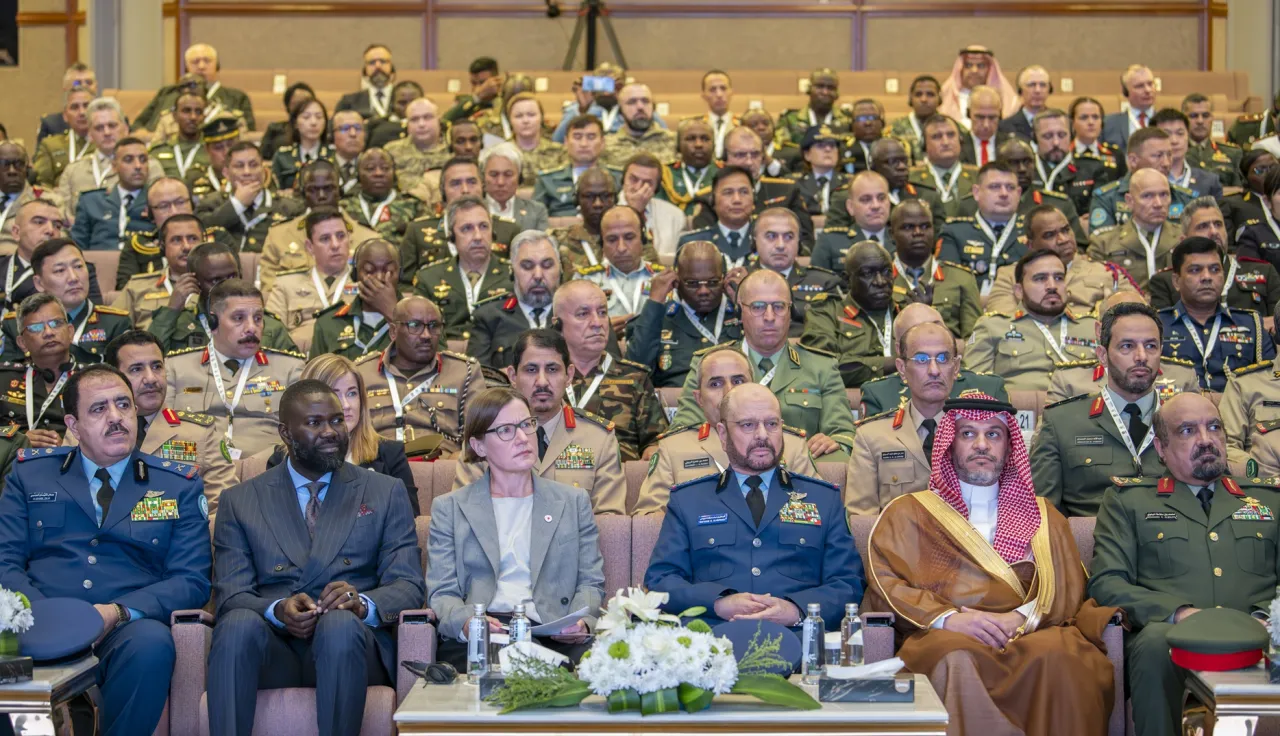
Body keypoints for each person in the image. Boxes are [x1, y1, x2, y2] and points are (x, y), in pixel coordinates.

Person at [863, 391, 1116, 736]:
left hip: (1032, 631)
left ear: (1009, 447)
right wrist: (948, 619)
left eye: (993, 434)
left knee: (1065, 658)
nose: (981, 444)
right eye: (968, 434)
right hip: (949, 635)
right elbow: (887, 582)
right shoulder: (909, 512)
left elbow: (1069, 586)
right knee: (955, 659)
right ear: (950, 444)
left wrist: (1021, 618)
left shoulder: (1044, 515)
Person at [0, 363, 212, 736]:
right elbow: (6, 560)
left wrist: (117, 612)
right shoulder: (30, 475)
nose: (116, 418)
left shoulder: (178, 484)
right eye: (99, 409)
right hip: (39, 615)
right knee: (10, 657)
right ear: (74, 425)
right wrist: (41, 615)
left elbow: (191, 580)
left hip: (123, 625)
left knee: (151, 645)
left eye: (123, 405)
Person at [206, 379, 423, 736]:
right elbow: (231, 594)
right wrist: (277, 610)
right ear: (285, 433)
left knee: (338, 625)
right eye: (314, 423)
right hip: (274, 647)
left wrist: (360, 603)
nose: (331, 432)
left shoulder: (384, 491)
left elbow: (408, 584)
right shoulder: (241, 500)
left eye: (337, 421)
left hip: (351, 647)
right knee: (236, 625)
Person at [1088, 392, 1280, 736]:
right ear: (1161, 448)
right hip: (1173, 637)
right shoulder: (1129, 501)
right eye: (1188, 431)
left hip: (1260, 633)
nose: (1206, 440)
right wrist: (1179, 613)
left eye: (1214, 427)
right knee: (1156, 643)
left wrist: (1269, 618)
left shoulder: (1267, 499)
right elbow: (1107, 582)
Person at [645, 382, 861, 629]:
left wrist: (797, 609)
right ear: (723, 433)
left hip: (799, 641)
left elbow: (848, 582)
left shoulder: (822, 498)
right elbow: (661, 580)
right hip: (715, 642)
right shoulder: (689, 500)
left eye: (772, 424)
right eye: (748, 425)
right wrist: (717, 603)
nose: (762, 435)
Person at [428, 385, 604, 666]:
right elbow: (442, 592)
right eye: (506, 430)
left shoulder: (572, 502)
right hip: (486, 632)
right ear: (479, 446)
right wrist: (466, 623)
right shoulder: (450, 508)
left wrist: (581, 621)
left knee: (602, 668)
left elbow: (590, 582)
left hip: (553, 630)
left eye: (526, 424)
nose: (523, 438)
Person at [675, 269, 856, 460]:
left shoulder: (821, 366)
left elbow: (843, 434)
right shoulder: (710, 365)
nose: (769, 317)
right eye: (758, 307)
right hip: (726, 471)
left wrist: (834, 443)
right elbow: (683, 431)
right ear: (741, 309)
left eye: (779, 306)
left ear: (790, 310)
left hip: (799, 472)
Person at [452, 329, 625, 513]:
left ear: (569, 375)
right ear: (512, 376)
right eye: (531, 370)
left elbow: (609, 520)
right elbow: (465, 514)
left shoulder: (598, 439)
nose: (542, 381)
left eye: (552, 369)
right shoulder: (485, 436)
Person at [637, 344, 816, 516]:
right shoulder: (672, 448)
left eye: (738, 381)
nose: (729, 391)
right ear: (699, 398)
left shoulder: (792, 444)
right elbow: (648, 519)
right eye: (715, 384)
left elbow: (818, 509)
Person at [1031, 301, 1171, 517]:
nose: (1141, 356)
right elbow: (1043, 514)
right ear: (1103, 355)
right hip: (1094, 543)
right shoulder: (1062, 422)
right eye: (1127, 346)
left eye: (1151, 346)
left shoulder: (1186, 420)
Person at [257, 354, 420, 515]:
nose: (346, 405)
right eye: (334, 395)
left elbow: (407, 518)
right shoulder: (281, 460)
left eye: (352, 393)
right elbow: (274, 523)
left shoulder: (390, 454)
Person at [164, 278, 307, 459]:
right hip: (197, 472)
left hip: (267, 474)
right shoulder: (176, 368)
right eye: (238, 318)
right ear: (213, 323)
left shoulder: (290, 369)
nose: (251, 328)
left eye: (258, 318)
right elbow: (163, 435)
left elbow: (303, 437)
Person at [98, 330, 236, 513]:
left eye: (157, 367)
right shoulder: (88, 429)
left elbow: (224, 505)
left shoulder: (200, 432)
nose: (151, 379)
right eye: (136, 369)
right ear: (113, 377)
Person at [845, 320, 959, 516]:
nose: (934, 370)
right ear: (902, 369)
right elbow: (861, 520)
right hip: (895, 545)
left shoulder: (976, 433)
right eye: (922, 359)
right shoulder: (871, 437)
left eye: (942, 358)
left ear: (956, 367)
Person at [355, 295, 483, 457]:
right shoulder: (362, 372)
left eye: (433, 326)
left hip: (441, 468)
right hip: (377, 467)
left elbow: (480, 436)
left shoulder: (464, 372)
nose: (426, 335)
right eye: (415, 326)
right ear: (393, 331)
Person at [555, 281, 666, 461]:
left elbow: (657, 440)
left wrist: (653, 454)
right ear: (557, 325)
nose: (597, 323)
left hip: (621, 480)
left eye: (602, 313)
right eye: (583, 314)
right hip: (557, 481)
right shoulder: (545, 378)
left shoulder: (634, 378)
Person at [963, 249, 1099, 391]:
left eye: (1059, 278)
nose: (1052, 285)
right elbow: (974, 389)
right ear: (1019, 290)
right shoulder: (992, 327)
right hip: (1018, 410)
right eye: (1040, 278)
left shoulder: (1092, 327)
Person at [1156, 237, 1275, 392]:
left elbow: (1270, 383)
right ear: (1176, 281)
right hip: (1176, 412)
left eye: (1215, 269)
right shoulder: (1157, 325)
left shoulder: (1251, 324)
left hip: (1238, 413)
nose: (1207, 277)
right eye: (1195, 270)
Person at [1046, 290, 1200, 404]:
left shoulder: (1183, 377)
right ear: (1100, 331)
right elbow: (1047, 443)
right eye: (1127, 345)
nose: (1141, 356)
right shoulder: (1069, 382)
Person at [856, 302, 1008, 417]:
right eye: (916, 332)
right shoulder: (878, 394)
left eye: (937, 328)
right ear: (899, 350)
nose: (931, 336)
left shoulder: (989, 388)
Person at [625, 240, 742, 388]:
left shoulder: (740, 313)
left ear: (724, 278)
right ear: (676, 280)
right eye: (692, 283)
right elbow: (634, 372)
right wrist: (654, 302)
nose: (703, 291)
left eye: (712, 282)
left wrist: (747, 299)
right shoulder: (659, 318)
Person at [149, 241, 299, 353]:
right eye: (215, 280)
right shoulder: (179, 323)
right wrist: (172, 310)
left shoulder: (269, 325)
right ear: (195, 282)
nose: (227, 284)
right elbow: (151, 357)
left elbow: (294, 373)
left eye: (233, 276)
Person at [986, 205, 1135, 316]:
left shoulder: (1107, 272)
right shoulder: (1010, 276)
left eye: (1065, 230)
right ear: (1030, 245)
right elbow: (1001, 322)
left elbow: (1137, 315)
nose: (1063, 240)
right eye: (1050, 235)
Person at [0, 237, 129, 365]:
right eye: (60, 270)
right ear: (39, 283)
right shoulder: (15, 325)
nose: (73, 278)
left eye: (78, 266)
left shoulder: (116, 324)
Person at [259, 161, 380, 294]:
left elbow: (377, 293)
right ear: (303, 193)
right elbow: (269, 293)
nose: (321, 195)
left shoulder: (368, 239)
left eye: (328, 188)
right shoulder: (279, 236)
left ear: (339, 191)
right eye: (314, 190)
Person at [1151, 197, 1280, 315]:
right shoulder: (1166, 281)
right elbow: (1162, 330)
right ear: (1184, 239)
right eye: (1203, 226)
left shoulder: (1264, 272)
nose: (1214, 232)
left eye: (1218, 224)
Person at [691, 127, 815, 249]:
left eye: (755, 154)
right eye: (740, 155)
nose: (749, 162)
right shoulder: (708, 197)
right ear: (724, 159)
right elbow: (703, 244)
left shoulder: (787, 191)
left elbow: (805, 242)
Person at [412, 197, 513, 341]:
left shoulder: (514, 275)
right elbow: (420, 333)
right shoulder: (428, 277)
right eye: (467, 228)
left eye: (484, 226)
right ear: (451, 236)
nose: (478, 236)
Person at [799, 240, 897, 388]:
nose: (880, 281)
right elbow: (821, 368)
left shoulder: (906, 310)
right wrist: (894, 364)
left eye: (886, 271)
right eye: (867, 274)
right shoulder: (826, 311)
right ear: (847, 279)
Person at [402, 157, 522, 274]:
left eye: (472, 182)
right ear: (443, 190)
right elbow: (404, 283)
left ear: (483, 187)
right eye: (455, 183)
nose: (465, 190)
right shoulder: (417, 231)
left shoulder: (509, 230)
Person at [737, 207, 841, 336]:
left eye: (789, 237)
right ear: (754, 239)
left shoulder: (824, 283)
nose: (780, 245)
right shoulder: (738, 281)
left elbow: (829, 334)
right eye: (771, 236)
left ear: (799, 241)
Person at [467, 231, 563, 370]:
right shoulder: (488, 317)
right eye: (527, 266)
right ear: (512, 271)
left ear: (560, 269)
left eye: (547, 265)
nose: (538, 275)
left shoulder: (578, 314)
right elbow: (476, 379)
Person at [55, 98, 165, 216]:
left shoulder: (149, 166)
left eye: (112, 126)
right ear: (90, 135)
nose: (107, 132)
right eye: (99, 128)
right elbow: (62, 216)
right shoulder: (73, 171)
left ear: (126, 129)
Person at [267, 208, 360, 345]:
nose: (335, 245)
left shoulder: (365, 283)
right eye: (325, 239)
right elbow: (270, 334)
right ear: (310, 247)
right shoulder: (286, 285)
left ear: (349, 239)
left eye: (341, 236)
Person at [937, 161, 1027, 294]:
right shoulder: (955, 232)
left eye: (1010, 187)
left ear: (1019, 193)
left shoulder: (1033, 231)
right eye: (995, 187)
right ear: (976, 192)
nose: (1004, 193)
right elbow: (948, 289)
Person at [0, 293, 79, 442]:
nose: (48, 332)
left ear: (70, 332)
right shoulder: (3, 379)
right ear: (22, 342)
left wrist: (71, 445)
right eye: (36, 327)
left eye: (56, 323)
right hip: (15, 463)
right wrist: (18, 439)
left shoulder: (95, 379)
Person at [1087, 168, 1183, 290]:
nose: (1158, 204)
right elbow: (1094, 289)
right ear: (1129, 201)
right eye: (1147, 196)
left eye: (1164, 194)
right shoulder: (1104, 243)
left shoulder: (1184, 237)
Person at [310, 239, 402, 361]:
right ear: (355, 274)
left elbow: (433, 365)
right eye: (369, 270)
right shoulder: (328, 323)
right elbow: (314, 377)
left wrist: (393, 313)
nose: (379, 278)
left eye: (388, 271)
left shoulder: (423, 319)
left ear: (400, 274)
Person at [206, 142, 305, 253]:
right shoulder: (211, 204)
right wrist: (237, 204)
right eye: (239, 166)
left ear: (264, 170)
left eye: (253, 165)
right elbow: (202, 231)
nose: (247, 172)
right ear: (226, 173)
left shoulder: (290, 207)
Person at [1089, 128, 1194, 231]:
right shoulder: (1106, 198)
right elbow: (1103, 244)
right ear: (1133, 160)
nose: (1166, 163)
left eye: (1169, 155)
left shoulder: (1185, 198)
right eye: (1158, 156)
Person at [572, 205, 665, 320]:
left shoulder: (663, 279)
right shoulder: (585, 281)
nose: (621, 248)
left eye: (629, 237)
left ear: (642, 239)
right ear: (602, 244)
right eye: (612, 239)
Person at [133, 43, 254, 131]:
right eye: (195, 62)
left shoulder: (237, 97)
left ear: (217, 65)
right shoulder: (167, 93)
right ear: (186, 68)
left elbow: (249, 131)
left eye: (207, 61)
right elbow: (138, 124)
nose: (201, 66)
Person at [113, 212, 203, 328]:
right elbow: (112, 331)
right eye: (176, 240)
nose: (186, 247)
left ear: (204, 243)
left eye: (192, 239)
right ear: (162, 246)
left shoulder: (217, 286)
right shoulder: (136, 287)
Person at [1030, 107, 1122, 217]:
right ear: (1035, 138)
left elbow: (1097, 215)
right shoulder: (1026, 170)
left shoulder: (1092, 168)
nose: (1056, 142)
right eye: (1048, 136)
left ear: (1071, 135)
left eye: (1062, 135)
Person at [70, 136, 152, 251]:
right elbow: (77, 247)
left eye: (143, 160)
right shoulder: (91, 201)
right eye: (129, 160)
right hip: (99, 266)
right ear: (114, 166)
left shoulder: (157, 201)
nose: (138, 166)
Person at [534, 115, 615, 218]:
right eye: (577, 137)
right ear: (566, 142)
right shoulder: (547, 180)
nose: (584, 144)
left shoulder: (616, 177)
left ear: (603, 142)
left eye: (591, 137)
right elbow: (535, 219)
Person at [0, 199, 73, 311]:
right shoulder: (2, 266)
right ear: (16, 232)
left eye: (57, 226)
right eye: (39, 222)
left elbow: (90, 322)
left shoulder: (76, 272)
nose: (50, 230)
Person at [811, 170, 892, 271]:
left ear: (889, 202)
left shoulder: (902, 240)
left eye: (881, 198)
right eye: (866, 199)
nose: (876, 206)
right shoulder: (830, 242)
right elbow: (817, 280)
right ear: (850, 207)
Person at [338, 148, 423, 243]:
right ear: (358, 175)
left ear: (394, 173)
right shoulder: (343, 207)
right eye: (370, 168)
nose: (378, 173)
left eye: (385, 168)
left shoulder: (413, 205)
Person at [679, 166, 756, 266]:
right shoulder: (692, 243)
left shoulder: (768, 240)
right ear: (713, 200)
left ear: (754, 199)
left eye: (744, 192)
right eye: (728, 192)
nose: (737, 200)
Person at [616, 153, 685, 264]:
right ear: (623, 180)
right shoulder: (605, 211)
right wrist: (634, 211)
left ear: (656, 189)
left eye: (647, 182)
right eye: (633, 179)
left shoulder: (674, 216)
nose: (638, 187)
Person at [911, 115, 978, 219]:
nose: (946, 142)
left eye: (951, 135)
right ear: (924, 145)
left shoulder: (979, 177)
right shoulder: (911, 179)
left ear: (960, 139)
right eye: (937, 136)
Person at [384, 97, 450, 199]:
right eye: (414, 119)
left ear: (439, 119)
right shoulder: (391, 151)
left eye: (427, 117)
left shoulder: (453, 149)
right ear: (407, 124)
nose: (421, 124)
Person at [1151, 108, 1223, 200]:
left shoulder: (1209, 182)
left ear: (1188, 136)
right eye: (1166, 134)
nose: (1174, 141)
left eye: (1180, 133)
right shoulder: (1141, 180)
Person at [601, 83, 677, 169]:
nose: (640, 107)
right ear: (620, 110)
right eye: (632, 102)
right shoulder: (605, 146)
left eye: (645, 101)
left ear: (653, 107)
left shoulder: (675, 142)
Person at [481, 142, 550, 233]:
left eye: (508, 175)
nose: (500, 182)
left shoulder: (536, 211)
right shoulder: (469, 210)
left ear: (519, 178)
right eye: (494, 175)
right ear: (483, 177)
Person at [32, 86, 94, 187]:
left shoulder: (106, 145)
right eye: (75, 107)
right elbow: (42, 184)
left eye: (87, 106)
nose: (82, 112)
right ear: (65, 115)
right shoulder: (50, 146)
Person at [938, 45, 1018, 122]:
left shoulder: (1008, 99)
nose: (974, 70)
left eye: (981, 66)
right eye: (968, 65)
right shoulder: (945, 96)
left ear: (990, 70)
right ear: (960, 69)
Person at [270, 98, 334, 193]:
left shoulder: (333, 154)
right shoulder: (282, 156)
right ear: (295, 123)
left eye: (319, 117)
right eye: (306, 117)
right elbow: (274, 191)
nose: (313, 122)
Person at [775, 68, 852, 145]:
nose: (825, 92)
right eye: (820, 86)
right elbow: (783, 150)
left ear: (837, 93)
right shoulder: (790, 119)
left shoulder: (848, 120)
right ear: (809, 89)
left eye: (831, 88)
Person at [658, 119, 719, 213]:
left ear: (714, 145)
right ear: (678, 146)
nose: (698, 144)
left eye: (705, 139)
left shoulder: (725, 175)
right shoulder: (665, 175)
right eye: (691, 138)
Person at [149, 90, 210, 180]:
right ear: (174, 116)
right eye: (186, 111)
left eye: (198, 112)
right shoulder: (157, 151)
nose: (193, 117)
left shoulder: (212, 151)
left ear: (204, 117)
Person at [34, 62, 97, 146]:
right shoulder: (51, 125)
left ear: (96, 87)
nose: (84, 86)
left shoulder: (108, 122)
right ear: (65, 88)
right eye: (77, 83)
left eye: (88, 82)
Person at [1221, 149, 1275, 244]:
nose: (1270, 174)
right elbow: (1227, 246)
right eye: (1260, 170)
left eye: (1274, 168)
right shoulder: (1232, 205)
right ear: (1245, 177)